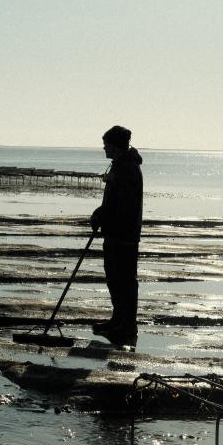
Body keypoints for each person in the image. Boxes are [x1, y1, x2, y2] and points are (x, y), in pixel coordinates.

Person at [90, 125, 143, 349]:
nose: (104, 148)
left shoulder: (127, 169)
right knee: (114, 278)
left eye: (106, 144)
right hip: (115, 232)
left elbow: (122, 203)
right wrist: (100, 214)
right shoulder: (120, 165)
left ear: (116, 146)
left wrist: (103, 215)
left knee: (124, 281)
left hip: (124, 233)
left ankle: (127, 326)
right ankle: (118, 320)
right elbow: (112, 201)